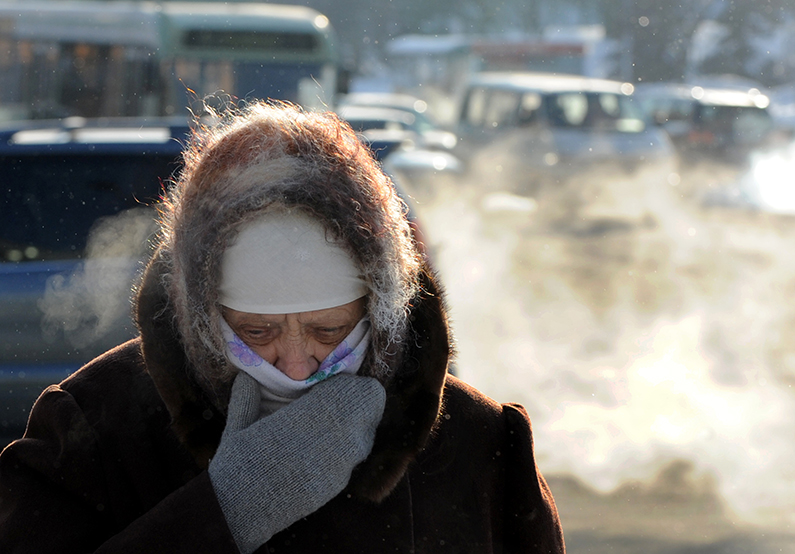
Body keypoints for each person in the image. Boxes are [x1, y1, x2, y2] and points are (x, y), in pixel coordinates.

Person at [0, 101, 565, 553]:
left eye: (327, 331)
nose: (296, 366)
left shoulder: (477, 445)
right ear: (205, 315)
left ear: (379, 308)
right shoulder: (97, 429)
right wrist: (225, 510)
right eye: (257, 331)